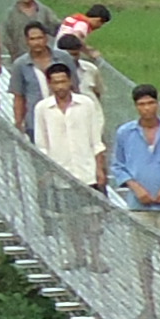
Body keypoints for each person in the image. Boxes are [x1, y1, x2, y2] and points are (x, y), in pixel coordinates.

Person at [108, 81, 160, 319]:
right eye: (142, 104)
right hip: (139, 205)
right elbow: (118, 165)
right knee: (142, 256)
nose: (147, 108)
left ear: (158, 104)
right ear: (136, 107)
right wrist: (135, 188)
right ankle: (148, 303)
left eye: (151, 103)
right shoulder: (125, 133)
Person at [29, 55, 109, 264]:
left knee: (93, 219)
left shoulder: (86, 104)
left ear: (70, 81)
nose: (60, 86)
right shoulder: (42, 109)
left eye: (63, 81)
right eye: (55, 82)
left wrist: (100, 169)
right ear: (50, 84)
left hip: (87, 171)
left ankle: (96, 257)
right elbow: (42, 145)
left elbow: (96, 140)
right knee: (70, 218)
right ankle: (78, 256)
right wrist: (46, 172)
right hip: (61, 174)